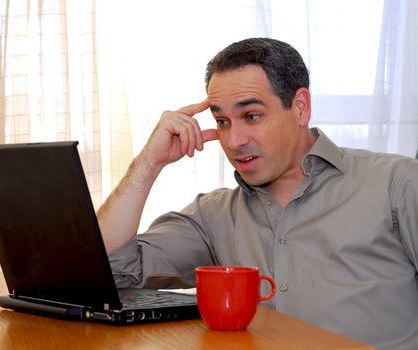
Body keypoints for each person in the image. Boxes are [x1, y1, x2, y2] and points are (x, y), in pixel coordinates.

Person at [97, 38, 418, 350]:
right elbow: (112, 271)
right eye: (222, 121)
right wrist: (149, 163)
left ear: (301, 107)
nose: (234, 140)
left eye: (251, 116)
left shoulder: (397, 184)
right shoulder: (213, 216)